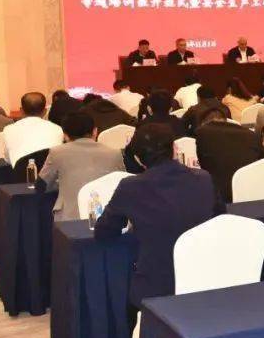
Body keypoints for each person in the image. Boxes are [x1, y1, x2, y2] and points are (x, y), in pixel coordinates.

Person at [94, 124, 222, 309]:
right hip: (204, 280)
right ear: (175, 149)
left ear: (138, 159)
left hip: (156, 289)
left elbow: (104, 232)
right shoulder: (204, 178)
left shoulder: (130, 187)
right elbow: (220, 219)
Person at [38, 111, 125, 220]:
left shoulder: (57, 152)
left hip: (69, 218)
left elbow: (41, 185)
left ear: (65, 135)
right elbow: (122, 184)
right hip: (107, 217)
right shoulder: (114, 153)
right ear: (95, 131)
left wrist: (63, 182)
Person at [194, 107, 264, 203]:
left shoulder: (202, 132)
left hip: (221, 196)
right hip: (253, 191)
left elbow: (204, 166)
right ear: (226, 120)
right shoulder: (250, 134)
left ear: (203, 123)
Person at [2, 92, 63, 165]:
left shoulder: (8, 130)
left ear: (21, 111)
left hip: (20, 171)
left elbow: (7, 159)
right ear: (45, 111)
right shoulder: (57, 129)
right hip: (50, 172)